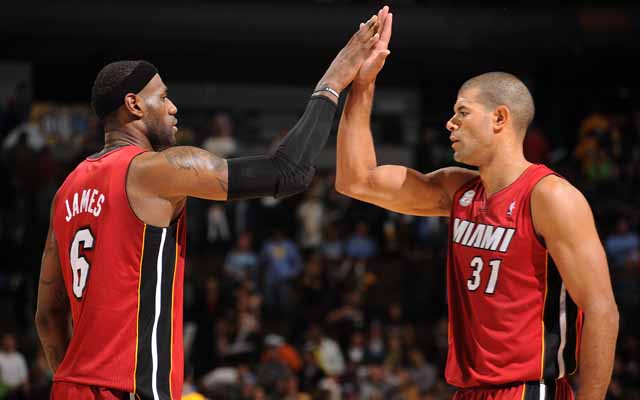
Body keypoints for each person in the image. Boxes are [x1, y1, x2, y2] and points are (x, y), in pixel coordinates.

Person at [34, 10, 385, 400]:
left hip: (68, 386)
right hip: (128, 388)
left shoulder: (66, 190)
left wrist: (76, 381)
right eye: (163, 97)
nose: (173, 108)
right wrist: (335, 79)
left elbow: (48, 317)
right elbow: (289, 172)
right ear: (134, 105)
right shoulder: (153, 170)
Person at [335, 6, 619, 399]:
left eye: (462, 112)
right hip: (470, 390)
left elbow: (601, 308)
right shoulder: (458, 191)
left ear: (500, 119)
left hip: (526, 389)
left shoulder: (550, 197)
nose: (450, 123)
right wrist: (362, 86)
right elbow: (356, 180)